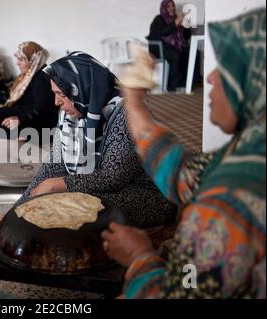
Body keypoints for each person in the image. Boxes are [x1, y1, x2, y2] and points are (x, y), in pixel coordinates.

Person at [103, 9, 266, 298]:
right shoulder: (251, 150)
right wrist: (135, 102)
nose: (211, 77)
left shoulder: (232, 199)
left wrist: (140, 258)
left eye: (226, 67)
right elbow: (187, 174)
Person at [18, 52, 177, 228]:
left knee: (71, 208)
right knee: (52, 201)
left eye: (62, 95)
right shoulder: (69, 117)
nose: (56, 102)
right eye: (54, 94)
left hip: (144, 194)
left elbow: (114, 177)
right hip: (101, 188)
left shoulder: (124, 115)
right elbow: (53, 165)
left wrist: (60, 184)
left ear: (83, 88)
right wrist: (18, 208)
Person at [0, 41, 59, 139]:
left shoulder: (42, 78)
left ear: (32, 60)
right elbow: (14, 99)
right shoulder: (29, 75)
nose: (17, 63)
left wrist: (20, 119)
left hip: (40, 123)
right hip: (27, 113)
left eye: (21, 60)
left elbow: (42, 109)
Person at [147, 0, 191, 91]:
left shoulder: (176, 18)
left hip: (173, 46)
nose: (172, 8)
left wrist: (185, 26)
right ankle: (173, 84)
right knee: (175, 55)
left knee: (192, 52)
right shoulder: (158, 19)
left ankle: (190, 81)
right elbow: (163, 32)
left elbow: (186, 37)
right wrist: (175, 23)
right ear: (163, 8)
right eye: (168, 6)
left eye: (173, 6)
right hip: (158, 47)